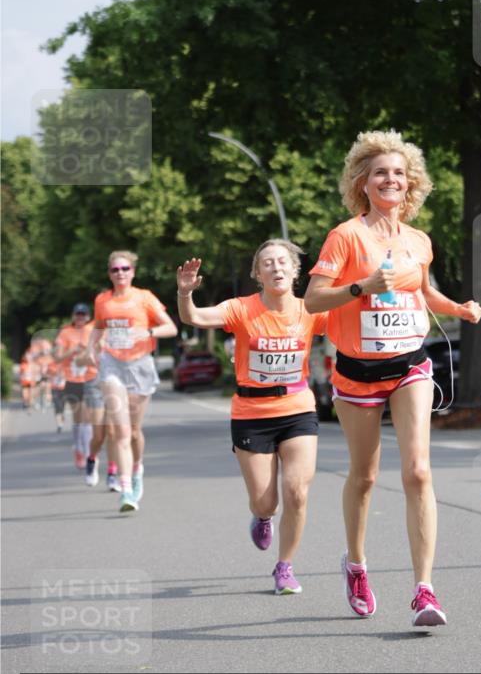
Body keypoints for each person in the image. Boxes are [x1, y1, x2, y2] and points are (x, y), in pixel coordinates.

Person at [304, 130, 481, 629]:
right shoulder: (346, 236)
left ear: (411, 185)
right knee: (363, 478)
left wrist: (459, 308)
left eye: (399, 173)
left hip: (410, 365)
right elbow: (314, 301)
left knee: (418, 471)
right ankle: (356, 565)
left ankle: (424, 589)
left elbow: (424, 292)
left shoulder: (419, 241)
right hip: (357, 372)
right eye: (381, 171)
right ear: (363, 182)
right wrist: (361, 286)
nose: (391, 179)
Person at [176, 240, 328, 596]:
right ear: (258, 274)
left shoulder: (311, 309)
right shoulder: (241, 309)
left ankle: (285, 567)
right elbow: (194, 317)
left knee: (297, 492)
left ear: (295, 270)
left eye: (282, 262)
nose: (276, 268)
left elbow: (350, 322)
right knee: (267, 501)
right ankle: (262, 517)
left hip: (297, 409)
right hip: (251, 413)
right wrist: (185, 294)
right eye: (267, 264)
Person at [82, 251, 177, 513]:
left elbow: (171, 327)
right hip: (112, 365)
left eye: (125, 268)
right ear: (109, 273)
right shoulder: (102, 299)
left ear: (133, 272)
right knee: (121, 431)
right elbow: (99, 326)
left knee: (134, 431)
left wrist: (146, 331)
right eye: (115, 270)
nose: (120, 273)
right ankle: (126, 490)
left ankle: (137, 470)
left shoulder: (144, 297)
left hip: (139, 366)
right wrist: (92, 347)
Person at [53, 304, 102, 469]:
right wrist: (72, 350)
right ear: (73, 316)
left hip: (91, 377)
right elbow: (58, 358)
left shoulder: (93, 330)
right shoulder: (65, 332)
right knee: (78, 417)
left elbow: (100, 349)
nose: (80, 317)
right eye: (78, 314)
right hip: (72, 378)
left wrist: (88, 350)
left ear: (88, 316)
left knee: (88, 417)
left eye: (84, 315)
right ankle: (78, 448)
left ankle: (88, 452)